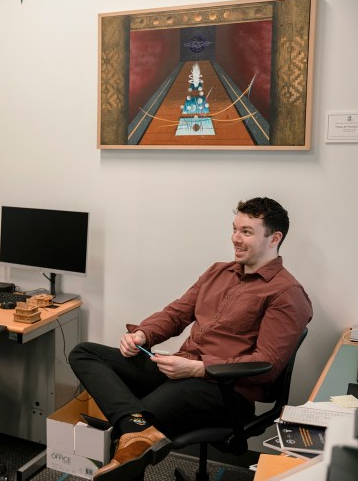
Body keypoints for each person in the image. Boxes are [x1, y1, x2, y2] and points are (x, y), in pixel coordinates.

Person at [69, 197, 312, 481]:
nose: (235, 238)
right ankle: (136, 426)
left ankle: (134, 427)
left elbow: (267, 364)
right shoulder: (217, 272)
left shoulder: (287, 294)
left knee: (135, 425)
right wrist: (142, 334)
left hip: (224, 390)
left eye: (246, 232)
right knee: (86, 353)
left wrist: (198, 368)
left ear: (275, 238)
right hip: (180, 370)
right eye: (234, 229)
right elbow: (176, 315)